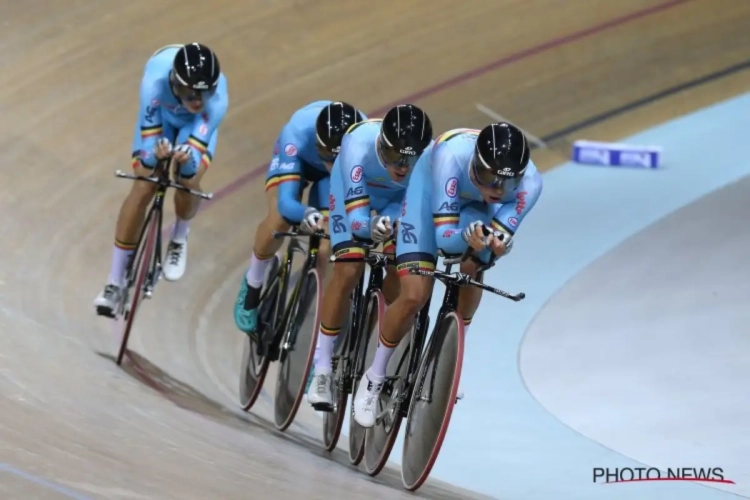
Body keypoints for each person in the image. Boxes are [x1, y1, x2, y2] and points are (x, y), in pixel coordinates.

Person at [352, 122, 544, 427]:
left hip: (474, 210)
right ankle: (374, 376)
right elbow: (444, 240)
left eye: (505, 185)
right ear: (475, 165)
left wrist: (493, 244)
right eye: (488, 177)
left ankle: (452, 354)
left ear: (518, 180)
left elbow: (494, 240)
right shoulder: (450, 157)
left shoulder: (531, 185)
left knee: (474, 264)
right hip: (427, 198)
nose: (496, 190)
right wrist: (467, 237)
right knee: (415, 294)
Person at [306, 103, 434, 411]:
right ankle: (321, 368)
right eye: (394, 158)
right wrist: (368, 227)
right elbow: (357, 218)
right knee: (349, 270)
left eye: (410, 159)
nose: (402, 167)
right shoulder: (357, 146)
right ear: (380, 145)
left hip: (397, 203)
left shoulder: (430, 159)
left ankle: (376, 339)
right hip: (353, 195)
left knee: (401, 274)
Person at [94, 43, 228, 317]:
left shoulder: (215, 103)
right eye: (191, 93)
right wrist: (154, 156)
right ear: (175, 84)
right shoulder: (154, 86)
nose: (198, 100)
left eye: (205, 93)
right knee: (145, 183)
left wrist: (185, 160)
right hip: (162, 119)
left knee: (187, 179)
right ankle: (114, 281)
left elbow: (191, 165)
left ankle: (179, 237)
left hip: (195, 128)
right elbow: (147, 156)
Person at [233, 101, 366, 337]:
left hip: (335, 178)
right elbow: (287, 203)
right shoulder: (297, 133)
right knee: (279, 220)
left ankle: (309, 307)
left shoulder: (365, 143)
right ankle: (253, 284)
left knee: (326, 247)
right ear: (318, 145)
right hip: (299, 163)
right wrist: (306, 213)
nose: (331, 163)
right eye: (327, 155)